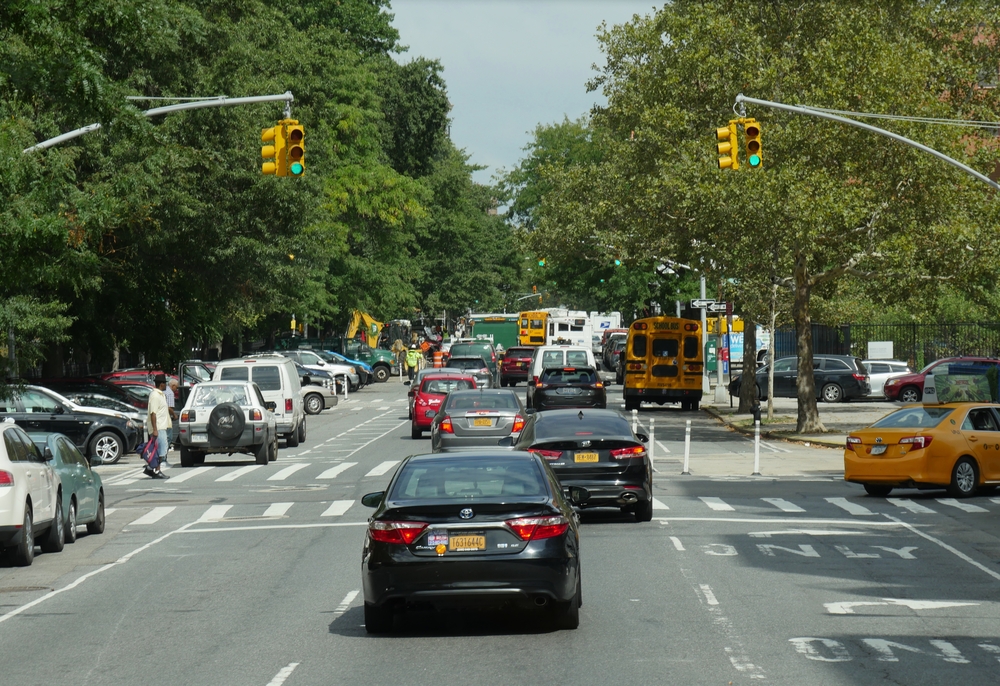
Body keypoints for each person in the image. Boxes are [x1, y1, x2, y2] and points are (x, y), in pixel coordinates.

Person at [145, 374, 172, 479]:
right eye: (165, 383)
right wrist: (155, 429)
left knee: (160, 449)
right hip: (158, 427)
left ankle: (151, 468)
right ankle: (157, 470)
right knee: (161, 450)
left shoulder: (161, 395)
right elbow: (153, 413)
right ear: (161, 384)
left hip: (162, 426)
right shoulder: (155, 395)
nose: (166, 385)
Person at [164, 378, 179, 459]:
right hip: (166, 418)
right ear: (173, 386)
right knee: (168, 437)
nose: (176, 390)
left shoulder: (163, 390)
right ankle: (163, 457)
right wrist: (174, 415)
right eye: (176, 388)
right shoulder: (170, 393)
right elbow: (169, 407)